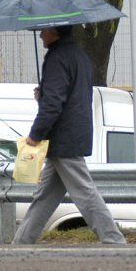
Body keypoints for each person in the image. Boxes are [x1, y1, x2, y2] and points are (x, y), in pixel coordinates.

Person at [12, 25, 126, 245]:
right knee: (44, 197)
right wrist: (43, 94)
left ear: (55, 31)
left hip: (64, 138)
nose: (40, 34)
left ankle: (113, 239)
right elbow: (71, 94)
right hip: (73, 134)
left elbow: (54, 105)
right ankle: (22, 242)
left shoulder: (57, 58)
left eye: (44, 30)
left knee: (84, 192)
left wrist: (35, 134)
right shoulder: (79, 55)